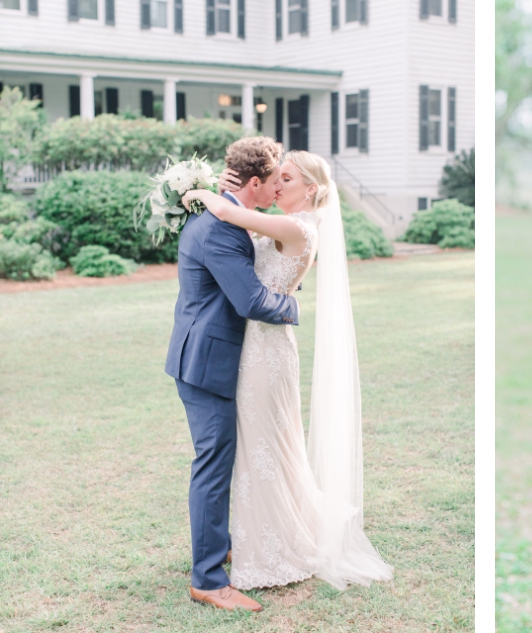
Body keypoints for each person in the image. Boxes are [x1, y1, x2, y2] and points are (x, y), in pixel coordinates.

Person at [181, 150, 393, 594]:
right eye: (275, 179)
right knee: (263, 448)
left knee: (264, 448)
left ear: (310, 190)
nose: (278, 187)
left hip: (265, 349)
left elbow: (226, 210)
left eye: (287, 179)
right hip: (253, 344)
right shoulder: (286, 221)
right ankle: (259, 537)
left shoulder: (299, 225)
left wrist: (198, 189)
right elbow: (237, 219)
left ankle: (271, 544)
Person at [165, 136, 299, 612]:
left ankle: (218, 550)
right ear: (256, 183)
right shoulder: (221, 228)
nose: (280, 185)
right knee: (213, 467)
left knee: (219, 462)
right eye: (275, 178)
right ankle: (207, 579)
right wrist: (295, 305)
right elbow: (251, 302)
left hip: (203, 354)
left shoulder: (220, 213)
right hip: (207, 363)